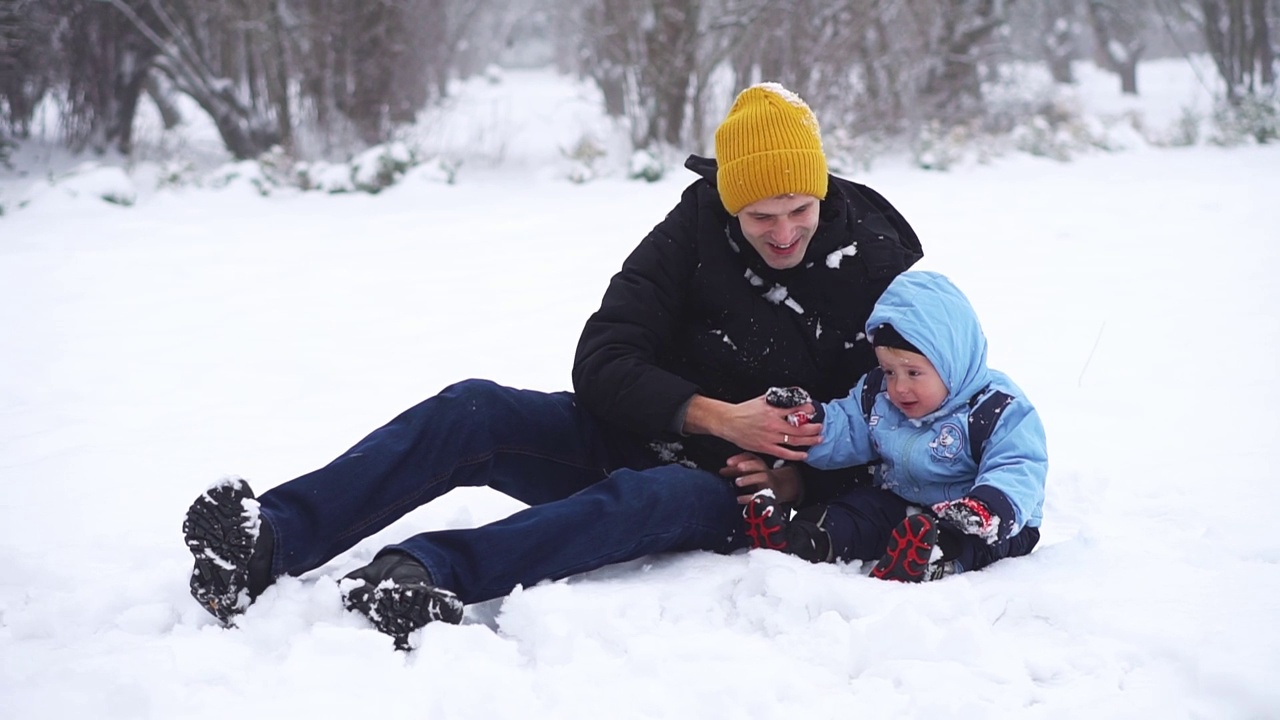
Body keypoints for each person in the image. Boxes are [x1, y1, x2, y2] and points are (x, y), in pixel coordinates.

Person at [181, 83, 923, 648]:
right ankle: (270, 539)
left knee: (648, 498)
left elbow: (912, 419)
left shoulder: (880, 269)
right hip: (646, 429)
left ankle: (426, 573)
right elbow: (602, 360)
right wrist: (716, 415)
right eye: (760, 217)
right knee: (473, 408)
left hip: (736, 490)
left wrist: (799, 476)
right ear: (728, 203)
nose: (784, 230)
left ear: (821, 189)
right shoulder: (694, 228)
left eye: (798, 209)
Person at [742, 271, 1047, 582]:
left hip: (987, 521)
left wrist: (986, 507)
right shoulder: (879, 395)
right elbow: (847, 426)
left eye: (913, 373)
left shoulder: (996, 409)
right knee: (860, 510)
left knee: (966, 541)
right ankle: (808, 539)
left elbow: (1018, 465)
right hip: (904, 504)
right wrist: (809, 421)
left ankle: (932, 559)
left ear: (952, 362)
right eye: (889, 371)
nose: (898, 387)